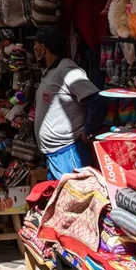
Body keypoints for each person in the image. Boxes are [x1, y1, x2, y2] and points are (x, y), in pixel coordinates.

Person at [32, 26, 105, 180]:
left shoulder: (67, 70)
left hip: (69, 152)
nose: (33, 49)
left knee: (75, 198)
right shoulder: (52, 71)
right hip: (55, 155)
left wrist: (88, 131)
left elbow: (96, 99)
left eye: (36, 45)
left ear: (43, 48)